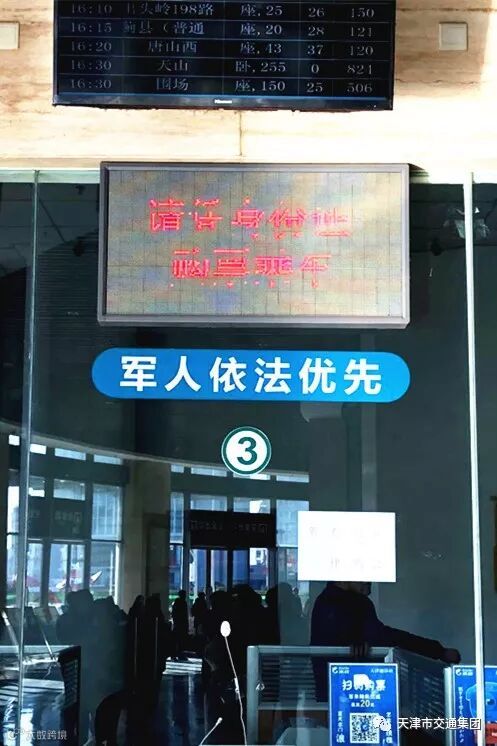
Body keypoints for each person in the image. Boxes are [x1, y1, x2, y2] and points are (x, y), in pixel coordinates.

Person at [311, 581, 460, 700]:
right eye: (364, 580)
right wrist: (438, 651)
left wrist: (437, 650)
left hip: (336, 692)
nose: (368, 587)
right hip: (353, 692)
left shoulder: (326, 602)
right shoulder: (353, 603)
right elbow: (385, 636)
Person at [171, 589, 189, 659]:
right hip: (182, 624)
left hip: (177, 624)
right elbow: (184, 615)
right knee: (181, 640)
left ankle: (174, 654)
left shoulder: (176, 602)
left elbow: (174, 614)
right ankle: (180, 654)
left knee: (176, 639)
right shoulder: (183, 603)